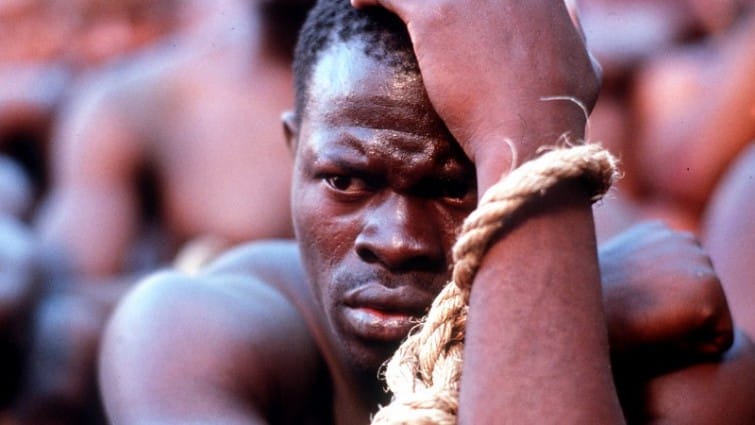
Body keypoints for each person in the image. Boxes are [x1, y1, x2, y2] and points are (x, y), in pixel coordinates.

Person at [100, 0, 755, 423]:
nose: (396, 240)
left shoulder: (678, 371)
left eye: (456, 189)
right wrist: (581, 315)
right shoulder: (186, 331)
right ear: (294, 150)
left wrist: (526, 124)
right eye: (346, 180)